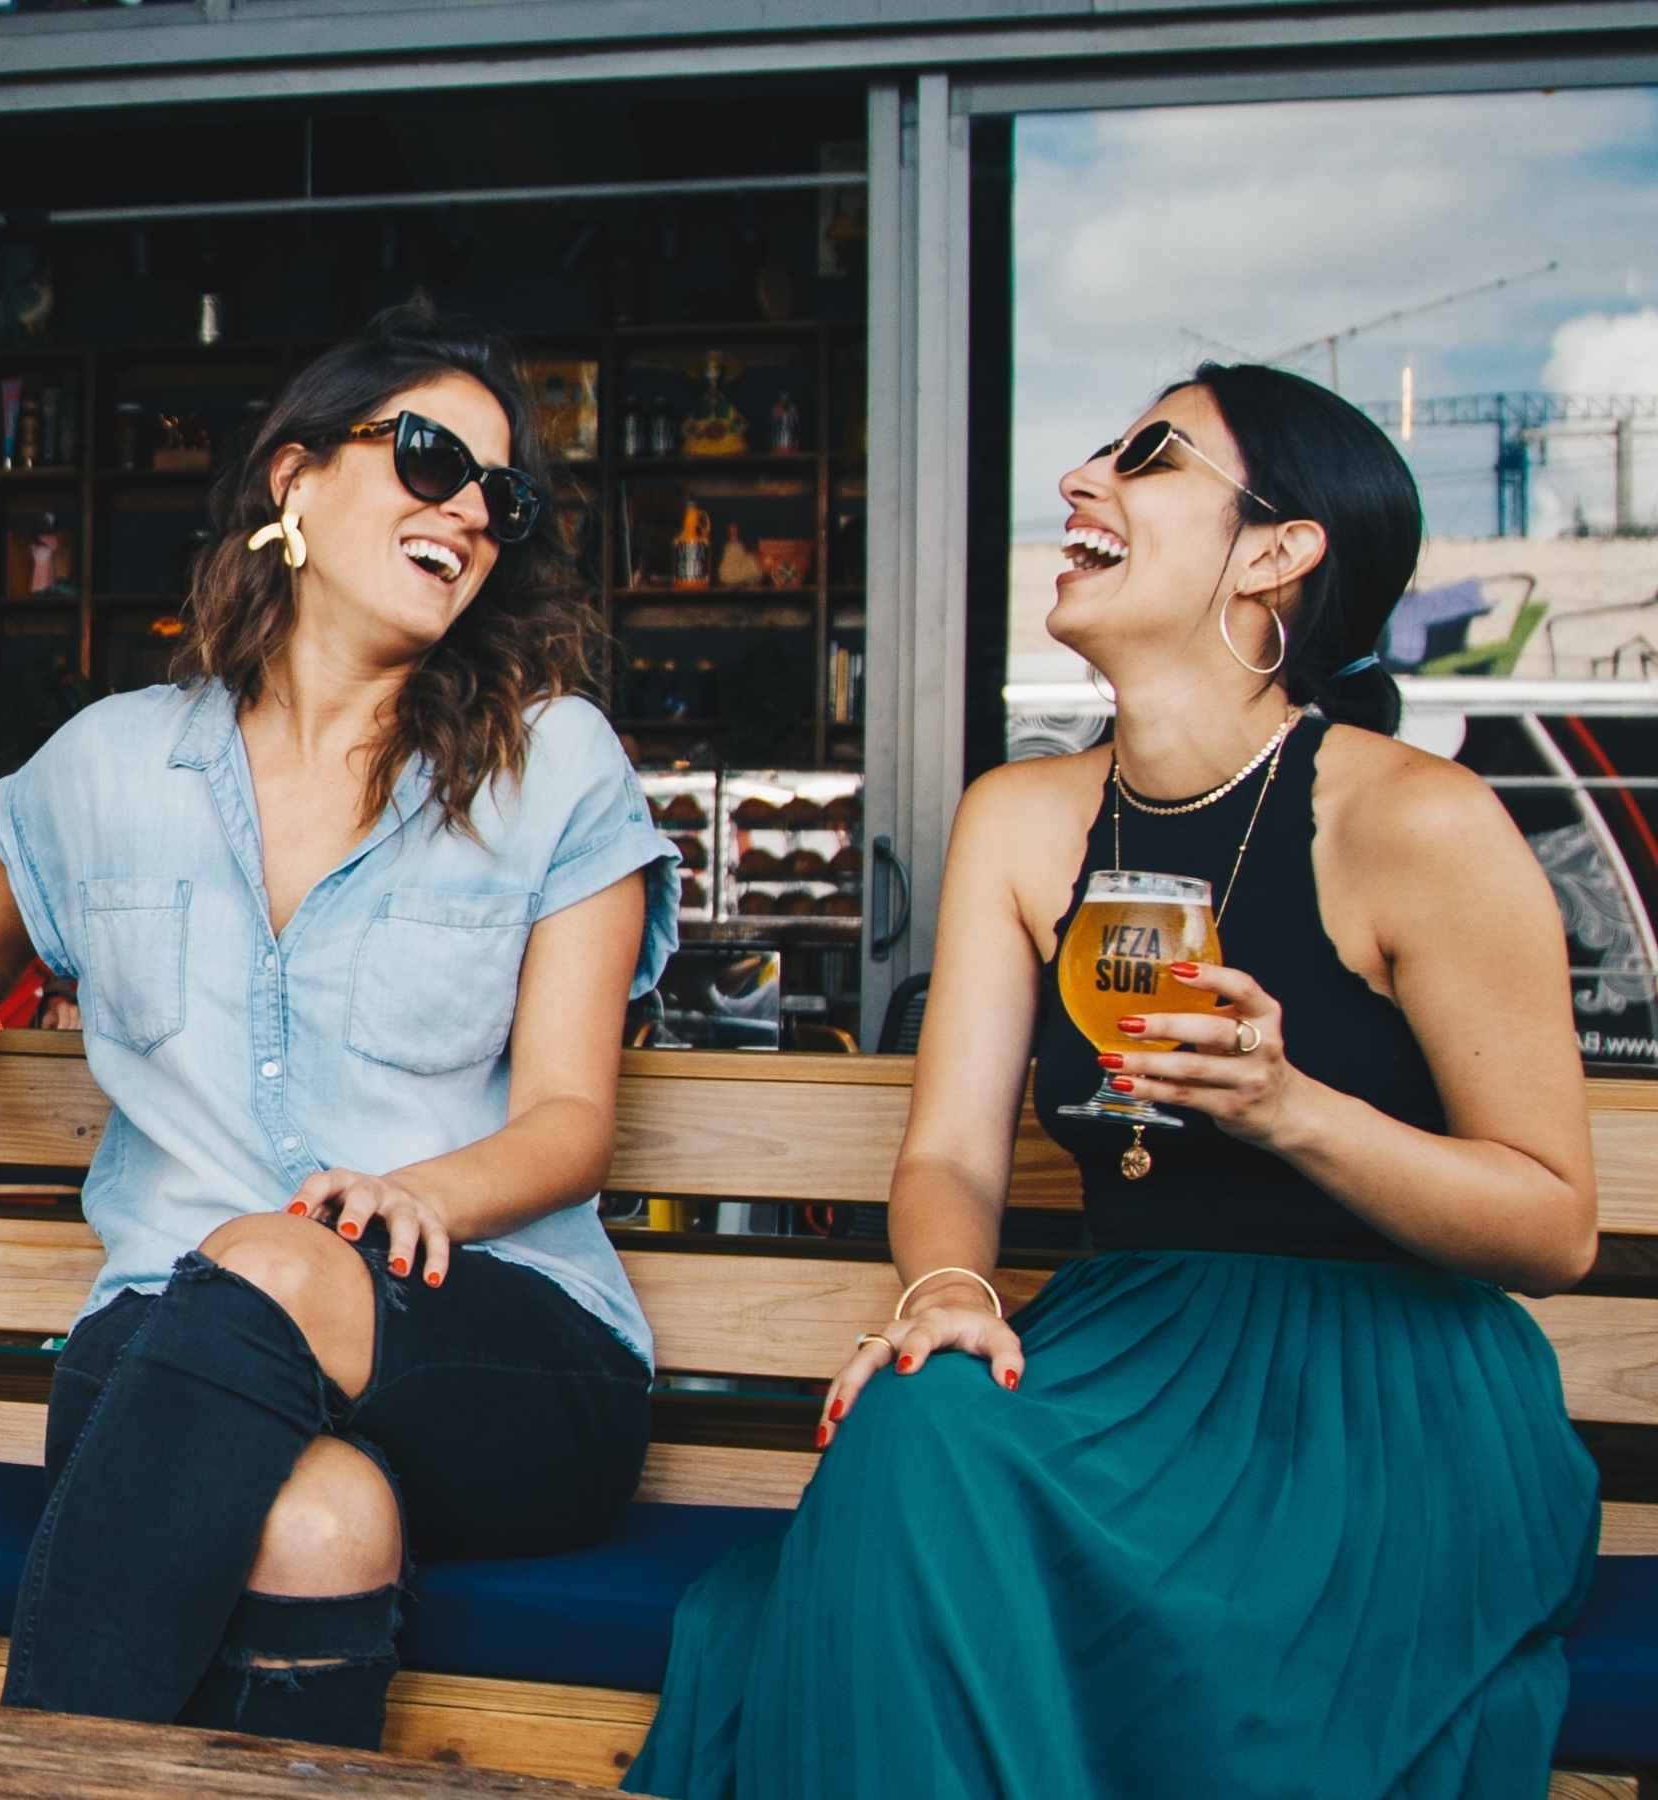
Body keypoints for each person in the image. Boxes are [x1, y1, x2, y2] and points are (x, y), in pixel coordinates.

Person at [626, 364, 1599, 1800]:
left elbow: (1555, 1228)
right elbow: (952, 1155)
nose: (1084, 479)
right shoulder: (1022, 822)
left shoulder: (1420, 824)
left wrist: (1293, 1109)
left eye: (1148, 456)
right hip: (1121, 1356)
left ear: (1275, 553)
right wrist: (946, 1291)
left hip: (1380, 1407)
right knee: (917, 1420)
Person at [0, 300, 679, 1749]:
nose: (473, 510)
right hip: (167, 1353)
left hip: (490, 1343)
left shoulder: (554, 765)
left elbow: (571, 1122)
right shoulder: (107, 766)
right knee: (317, 1522)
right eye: (431, 457)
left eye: (505, 494)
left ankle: (25, 1778)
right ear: (296, 479)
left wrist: (408, 1195)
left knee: (278, 1259)